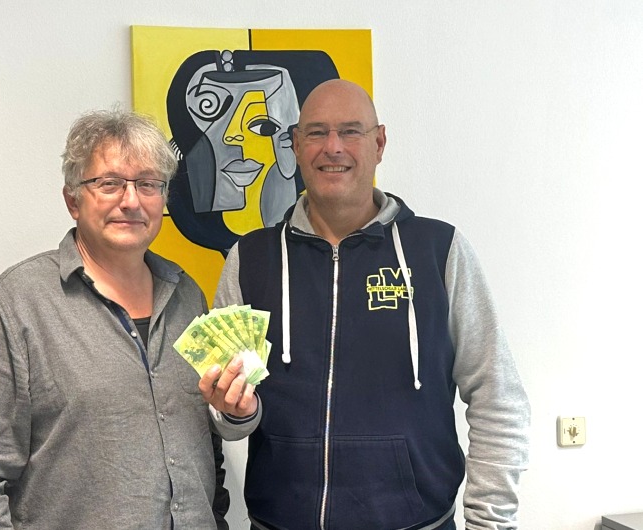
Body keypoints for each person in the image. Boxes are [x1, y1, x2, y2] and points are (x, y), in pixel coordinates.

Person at [212, 80, 530, 529]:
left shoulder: (438, 250)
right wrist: (233, 411)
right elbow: (229, 421)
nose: (333, 147)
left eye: (350, 131)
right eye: (317, 132)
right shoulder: (250, 259)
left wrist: (490, 523)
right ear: (296, 146)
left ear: (379, 143)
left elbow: (498, 397)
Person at [0, 108, 259, 529]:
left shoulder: (187, 297)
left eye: (148, 184)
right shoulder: (19, 304)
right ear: (73, 200)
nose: (131, 201)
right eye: (109, 184)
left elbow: (204, 450)